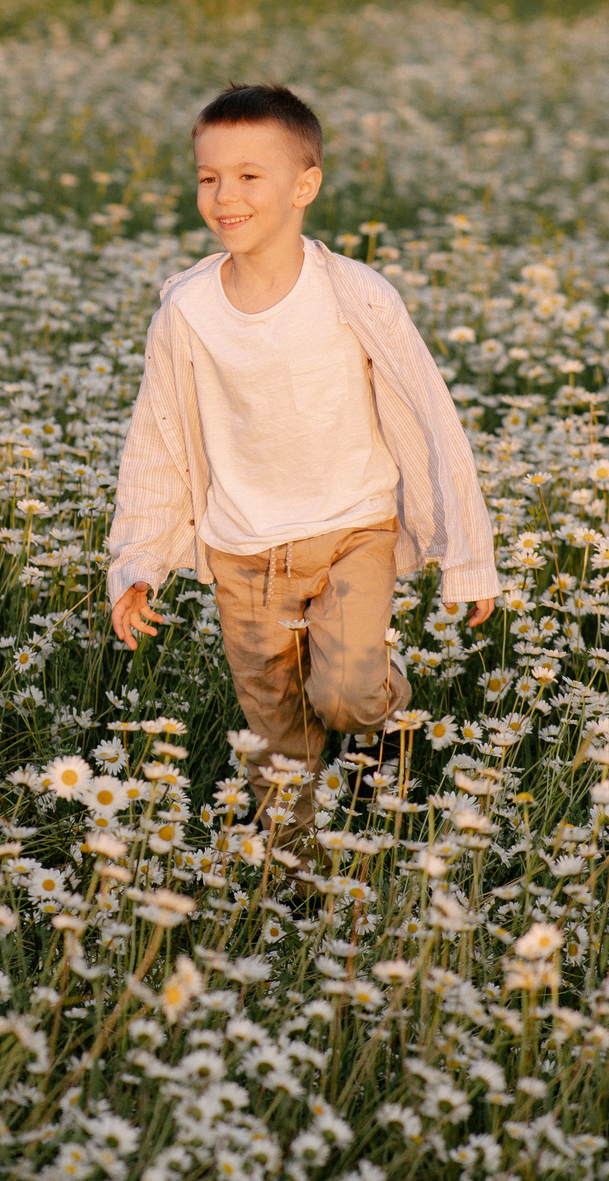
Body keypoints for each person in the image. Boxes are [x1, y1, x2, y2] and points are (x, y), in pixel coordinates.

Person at [107, 83, 499, 847]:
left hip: (354, 531)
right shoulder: (186, 309)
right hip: (242, 552)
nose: (225, 195)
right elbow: (156, 439)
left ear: (304, 186)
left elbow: (429, 418)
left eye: (249, 175)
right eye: (209, 177)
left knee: (346, 693)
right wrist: (137, 561)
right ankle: (295, 880)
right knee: (277, 738)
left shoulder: (354, 295)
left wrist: (468, 555)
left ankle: (384, 727)